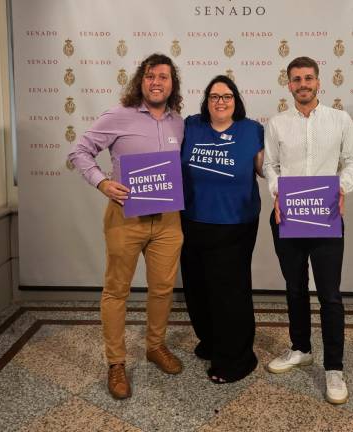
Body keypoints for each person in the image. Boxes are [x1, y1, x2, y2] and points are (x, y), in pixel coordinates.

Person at [68, 53, 185, 400]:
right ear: (140, 81)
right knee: (116, 291)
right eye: (150, 76)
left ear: (172, 84)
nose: (156, 82)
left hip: (167, 220)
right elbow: (80, 151)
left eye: (164, 77)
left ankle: (155, 346)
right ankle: (116, 363)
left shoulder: (180, 122)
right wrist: (103, 183)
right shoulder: (117, 116)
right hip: (126, 217)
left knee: (163, 289)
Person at [262, 56, 353, 404]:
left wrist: (342, 187)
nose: (302, 84)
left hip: (325, 216)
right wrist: (276, 192)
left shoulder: (340, 120)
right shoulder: (276, 123)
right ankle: (300, 348)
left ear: (319, 82)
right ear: (288, 84)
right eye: (296, 79)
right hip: (287, 215)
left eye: (308, 78)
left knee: (330, 295)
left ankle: (334, 367)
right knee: (294, 288)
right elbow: (271, 165)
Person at [180, 75, 264, 384]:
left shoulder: (251, 130)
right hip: (192, 221)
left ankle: (236, 359)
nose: (220, 101)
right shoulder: (191, 126)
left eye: (226, 96)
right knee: (197, 288)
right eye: (214, 96)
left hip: (235, 225)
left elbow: (268, 170)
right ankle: (212, 340)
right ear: (206, 101)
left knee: (230, 293)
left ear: (236, 100)